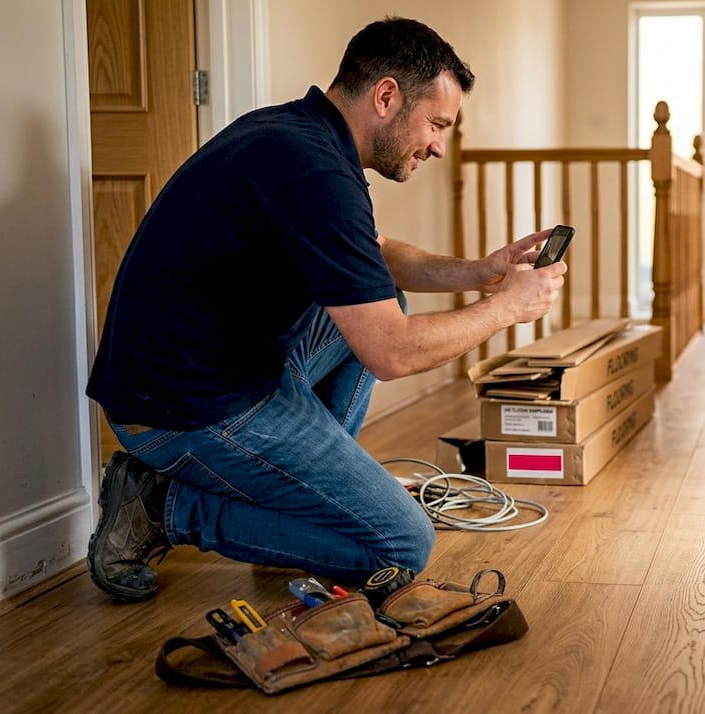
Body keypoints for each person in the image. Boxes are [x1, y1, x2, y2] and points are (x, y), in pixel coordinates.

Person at [85, 17, 566, 602]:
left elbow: (375, 255)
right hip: (182, 411)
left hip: (215, 370)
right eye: (436, 123)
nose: (439, 145)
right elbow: (390, 352)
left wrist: (478, 273)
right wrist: (507, 310)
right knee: (399, 545)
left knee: (384, 301)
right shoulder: (315, 172)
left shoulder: (298, 136)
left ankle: (302, 512)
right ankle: (164, 507)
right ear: (386, 97)